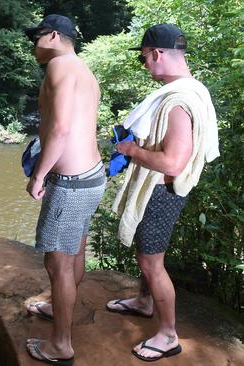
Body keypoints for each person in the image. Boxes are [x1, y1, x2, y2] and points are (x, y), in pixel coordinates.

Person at [105, 24, 219, 362]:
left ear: (156, 54)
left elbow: (172, 162)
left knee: (151, 261)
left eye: (144, 59)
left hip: (162, 191)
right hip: (162, 189)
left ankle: (168, 334)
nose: (145, 66)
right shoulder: (191, 90)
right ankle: (144, 302)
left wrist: (130, 150)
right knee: (147, 255)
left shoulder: (177, 102)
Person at [23, 14, 106, 365]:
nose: (32, 45)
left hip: (70, 183)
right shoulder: (83, 70)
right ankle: (59, 309)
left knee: (57, 262)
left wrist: (39, 175)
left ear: (55, 35)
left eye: (36, 37)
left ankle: (61, 345)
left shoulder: (59, 67)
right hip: (92, 177)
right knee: (74, 253)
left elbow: (59, 130)